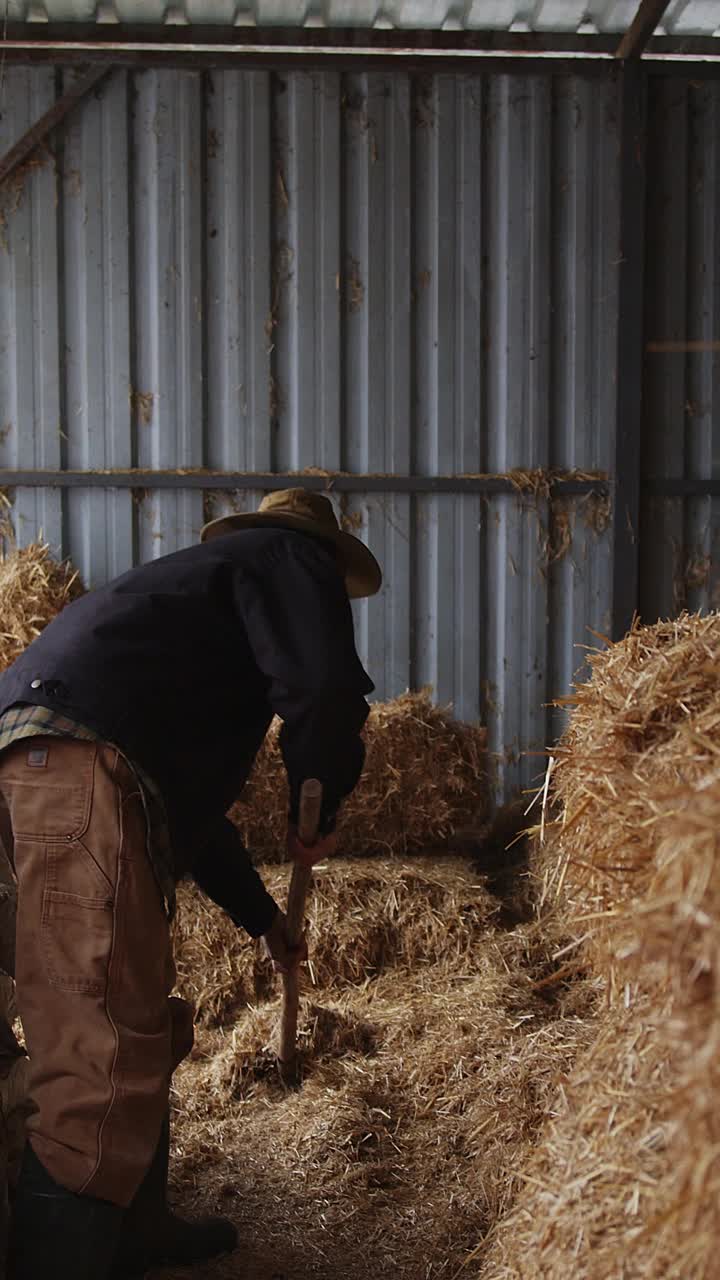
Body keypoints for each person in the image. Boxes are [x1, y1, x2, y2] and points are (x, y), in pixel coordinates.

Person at [0, 488, 380, 1279]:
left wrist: (262, 917)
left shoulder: (184, 617)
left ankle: (136, 1230)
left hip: (31, 774)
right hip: (72, 778)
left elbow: (194, 821)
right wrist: (322, 786)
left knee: (139, 1018)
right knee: (95, 1057)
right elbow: (326, 692)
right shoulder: (288, 558)